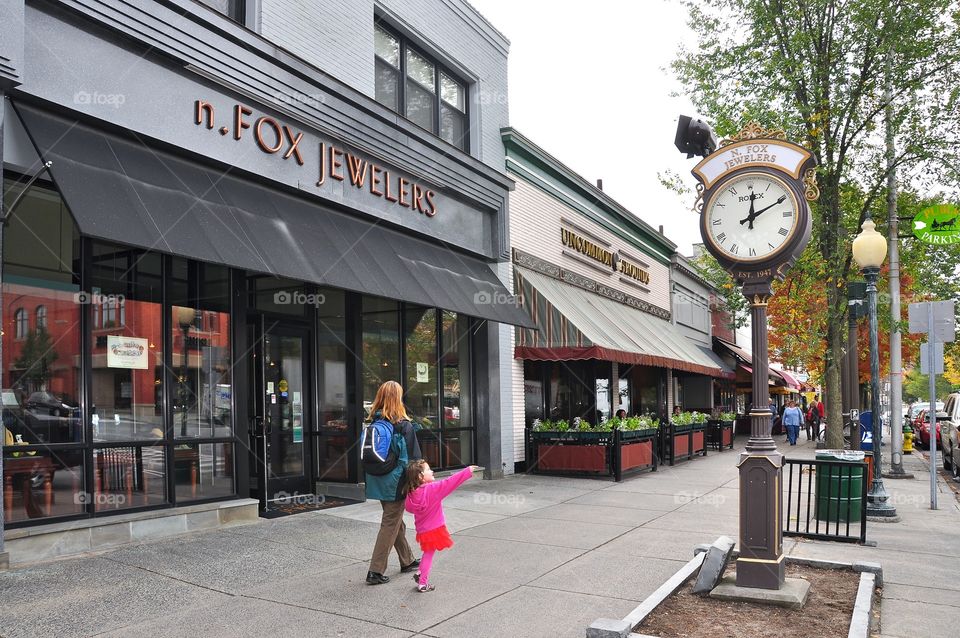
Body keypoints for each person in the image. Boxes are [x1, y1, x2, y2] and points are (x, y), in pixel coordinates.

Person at [364, 381, 422, 586]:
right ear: (398, 399)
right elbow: (413, 460)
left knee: (395, 520)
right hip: (396, 481)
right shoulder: (403, 425)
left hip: (377, 479)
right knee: (390, 522)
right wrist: (416, 483)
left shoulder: (374, 422)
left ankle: (407, 560)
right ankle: (375, 571)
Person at [403, 460, 478, 592]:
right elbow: (450, 482)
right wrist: (467, 471)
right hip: (434, 529)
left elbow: (408, 508)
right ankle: (422, 583)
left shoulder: (411, 494)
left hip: (422, 530)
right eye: (428, 469)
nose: (432, 471)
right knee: (428, 555)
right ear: (420, 476)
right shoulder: (432, 489)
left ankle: (420, 573)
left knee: (427, 552)